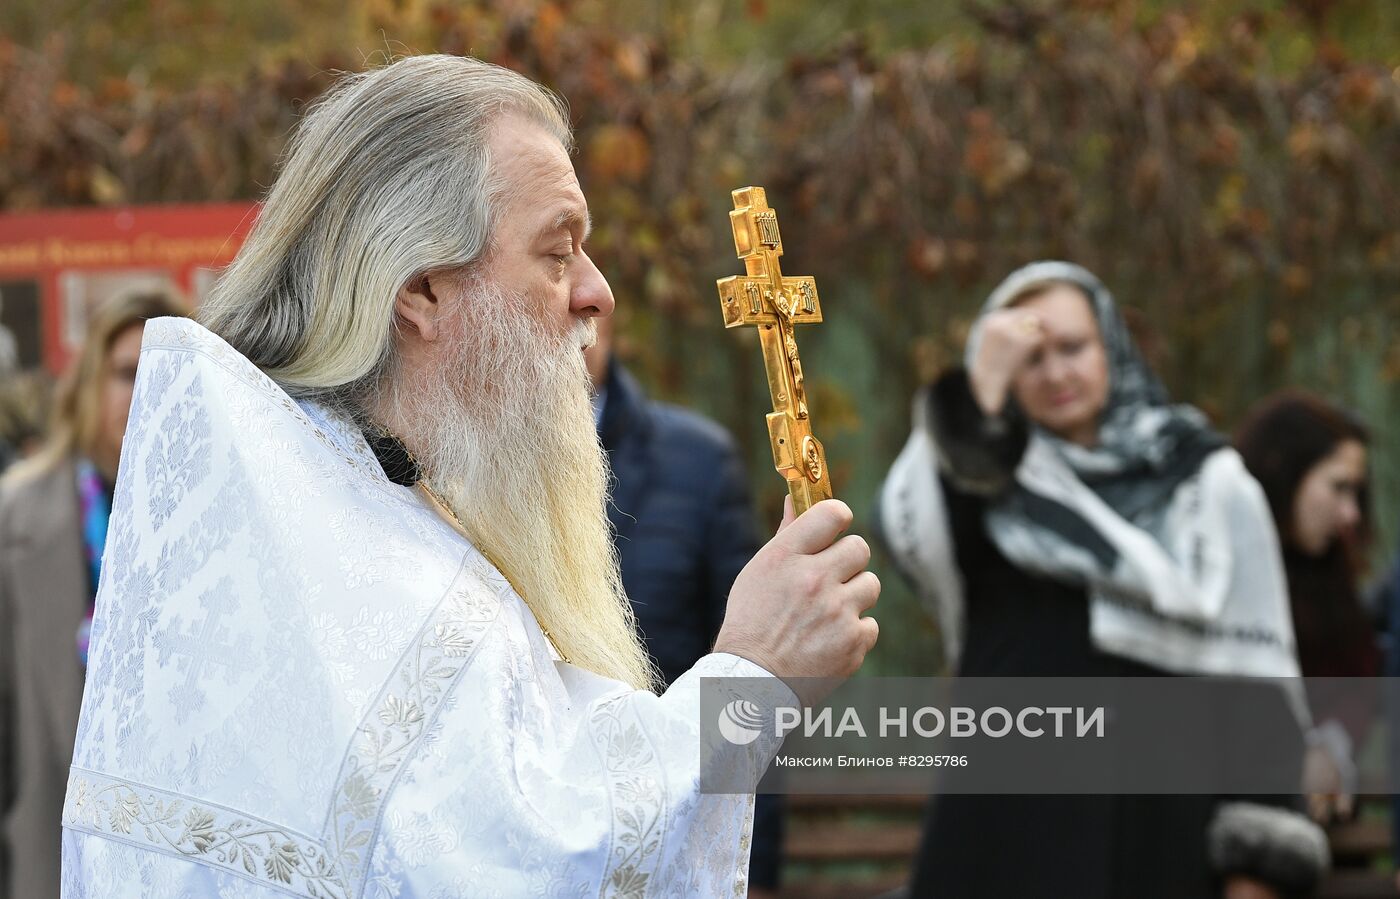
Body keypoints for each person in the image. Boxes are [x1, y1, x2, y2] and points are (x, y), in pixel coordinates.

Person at [59, 55, 880, 897]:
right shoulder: (346, 563)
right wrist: (752, 672)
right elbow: (532, 864)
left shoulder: (332, 502)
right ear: (422, 289)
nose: (595, 293)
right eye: (557, 253)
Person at [878, 262, 1327, 899]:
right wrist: (980, 387)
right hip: (1004, 829)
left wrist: (1257, 862)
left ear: (1110, 345)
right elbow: (916, 533)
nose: (1057, 373)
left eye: (1073, 347)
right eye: (1029, 359)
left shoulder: (1206, 486)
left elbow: (1255, 682)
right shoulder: (989, 488)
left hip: (1161, 829)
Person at [585, 318, 784, 895]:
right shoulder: (446, 452)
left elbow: (751, 678)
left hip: (671, 825)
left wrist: (754, 870)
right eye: (552, 259)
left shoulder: (696, 462)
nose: (584, 296)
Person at [0, 289, 186, 899]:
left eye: (163, 373)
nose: (142, 392)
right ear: (88, 385)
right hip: (43, 859)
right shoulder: (15, 520)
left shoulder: (214, 527)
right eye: (127, 372)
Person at [1236, 392, 1379, 823]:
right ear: (1285, 472)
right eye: (1338, 487)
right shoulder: (1218, 571)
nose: (1351, 513)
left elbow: (1356, 686)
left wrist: (1330, 745)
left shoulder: (1331, 579)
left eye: (1356, 493)